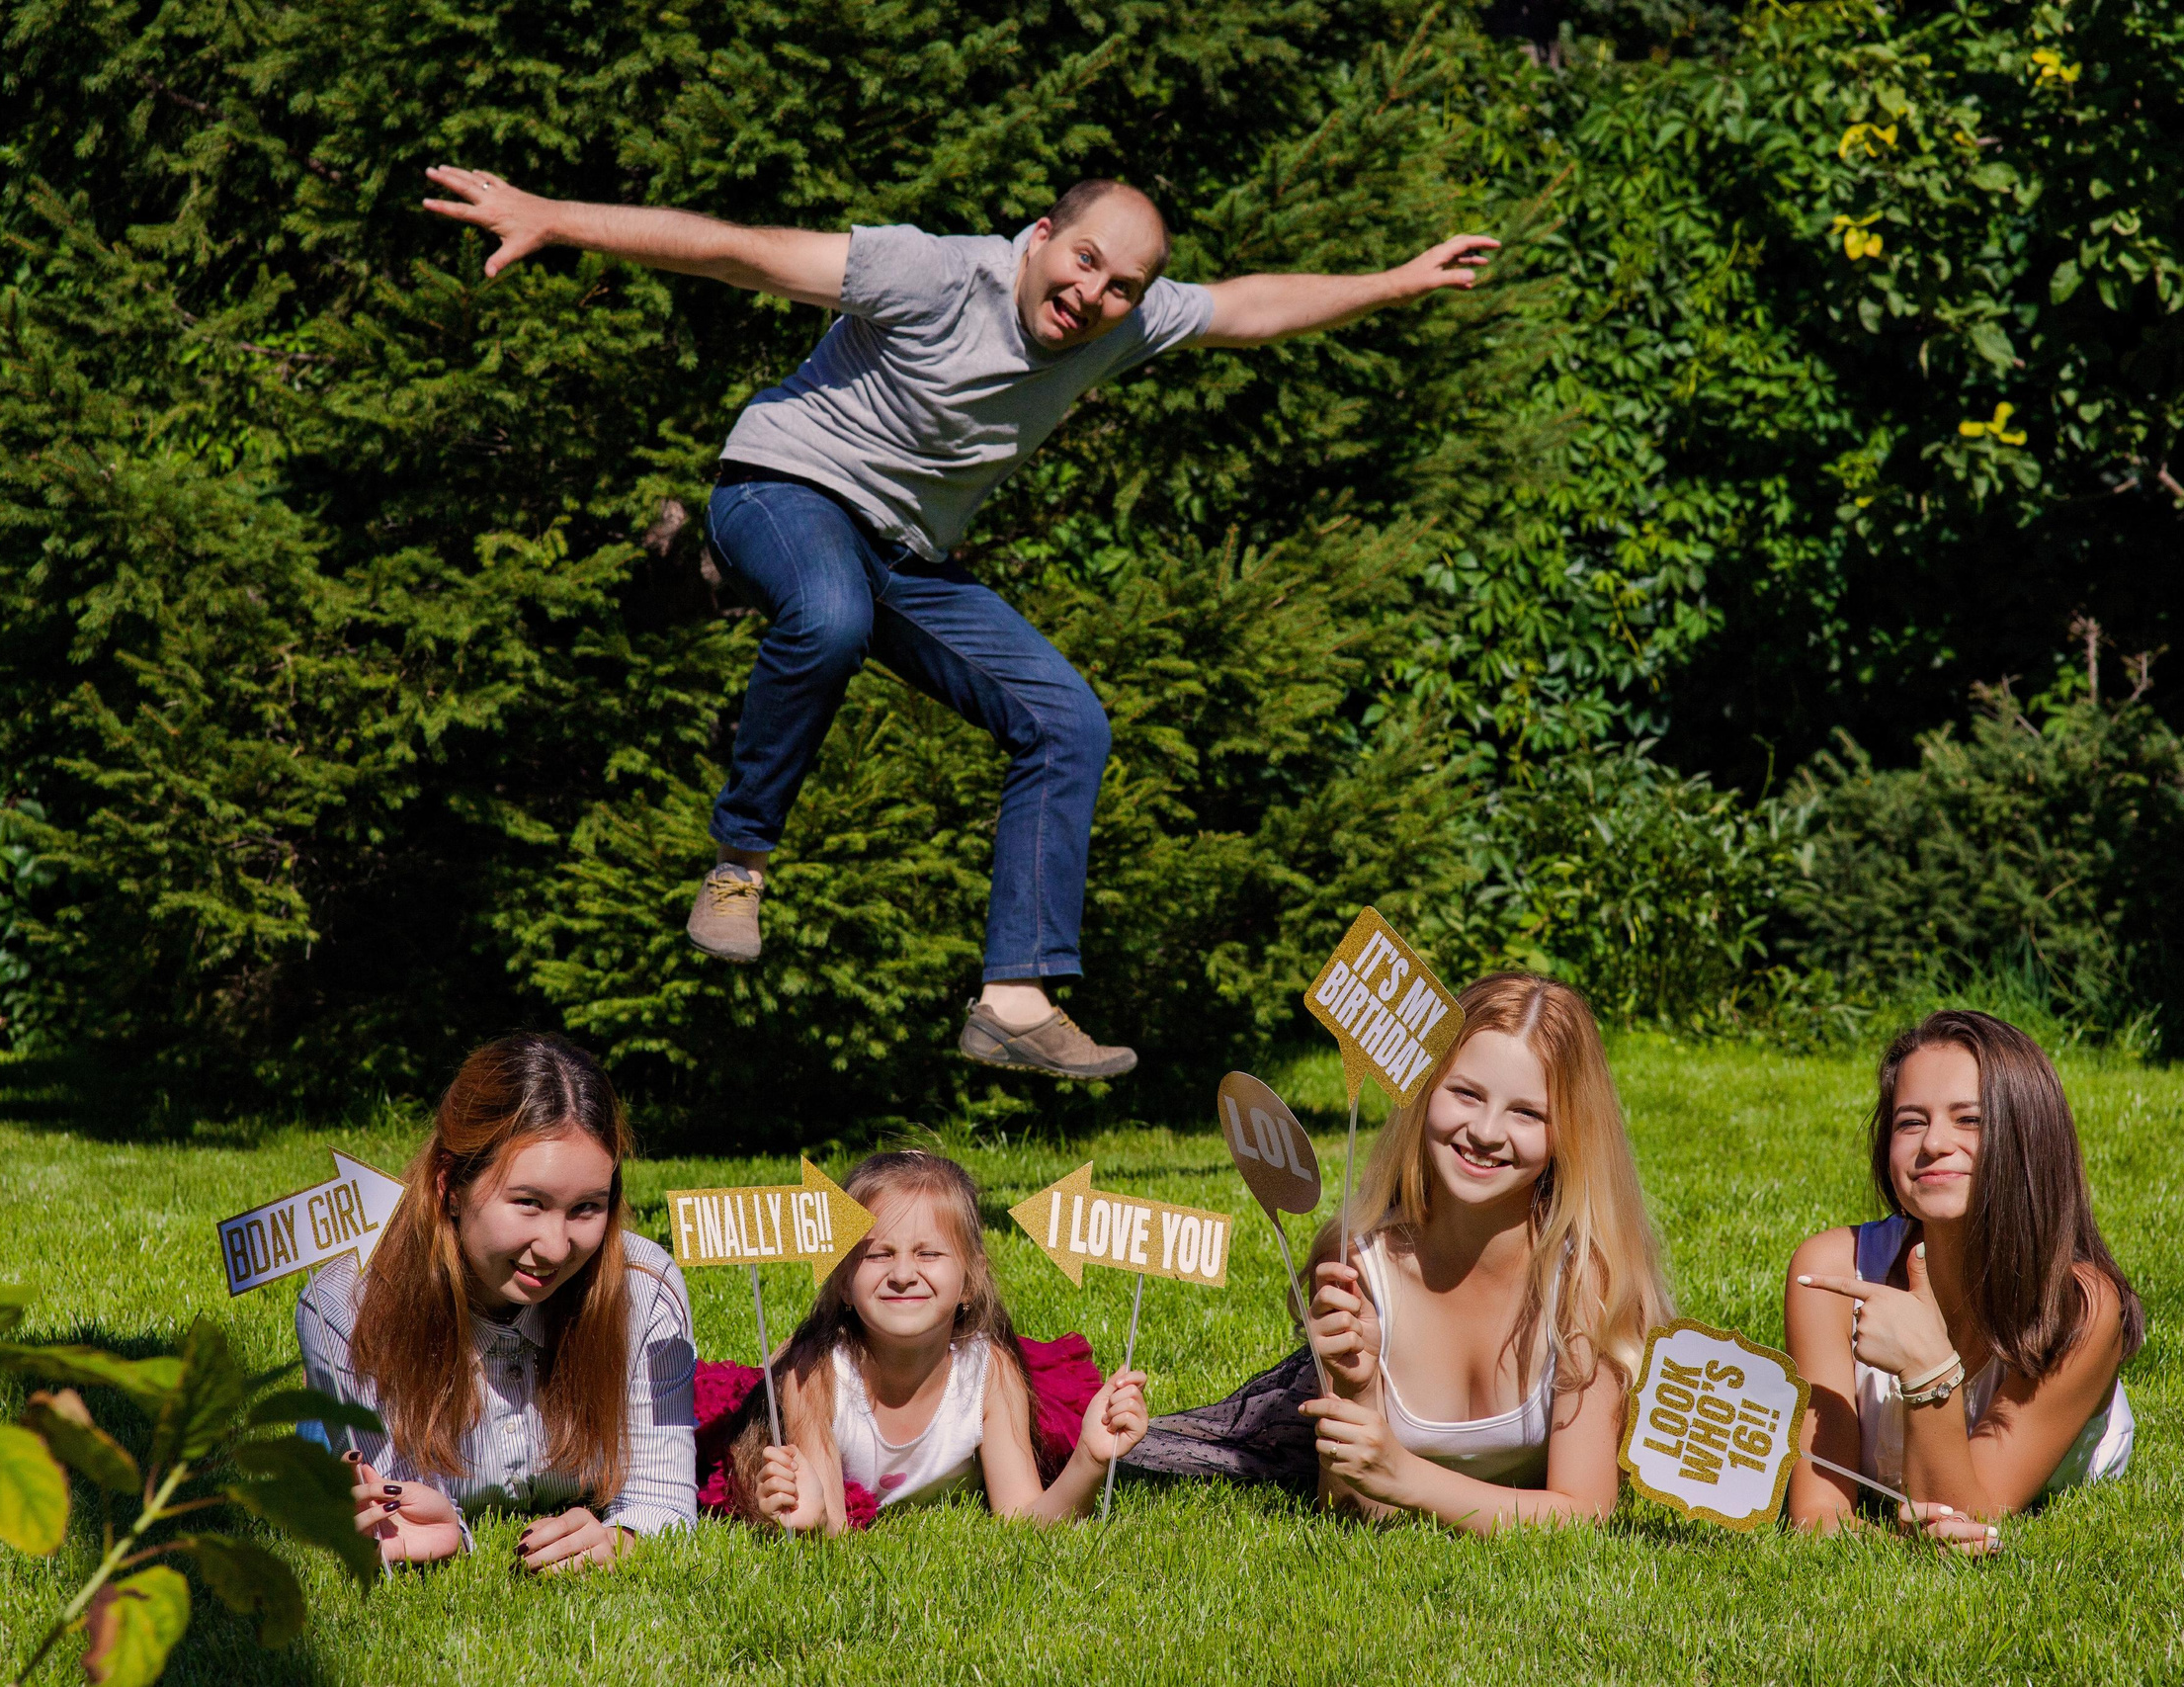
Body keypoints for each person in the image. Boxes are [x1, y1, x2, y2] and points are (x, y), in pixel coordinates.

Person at [420, 165, 1499, 1079]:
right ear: (1039, 237)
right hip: (780, 492)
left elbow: (1250, 308)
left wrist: (1396, 282)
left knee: (1066, 721)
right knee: (828, 616)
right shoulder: (929, 271)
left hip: (904, 555)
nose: (1093, 295)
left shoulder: (1125, 323)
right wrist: (554, 217)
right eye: (1081, 260)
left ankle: (1015, 999)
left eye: (1122, 286)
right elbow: (738, 249)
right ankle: (738, 864)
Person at [297, 1034, 698, 1567]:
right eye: (528, 1203)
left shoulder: (646, 1290)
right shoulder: (346, 1308)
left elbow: (663, 1502)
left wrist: (619, 1538)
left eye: (586, 1208)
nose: (556, 1247)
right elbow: (397, 1506)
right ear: (450, 1187)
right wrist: (443, 1532)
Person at [1299, 972, 1672, 1532]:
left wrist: (1407, 1475)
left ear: (1568, 1135)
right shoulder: (1358, 1262)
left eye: (1527, 1113)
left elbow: (1584, 1512)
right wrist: (1357, 1388)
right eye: (1466, 1093)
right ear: (1425, 1091)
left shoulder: (1586, 1282)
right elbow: (1351, 1509)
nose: (1486, 1131)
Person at [1786, 1009, 2142, 1551]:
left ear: (2029, 1136)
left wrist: (1925, 1364)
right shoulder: (1832, 1272)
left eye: (1969, 1120)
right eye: (1910, 1121)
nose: (1934, 1143)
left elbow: (1967, 1512)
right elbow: (1819, 1511)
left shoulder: (2081, 1307)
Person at [734, 1150, 1147, 1530]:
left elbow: (1023, 1521)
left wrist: (1090, 1460)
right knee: (783, 1363)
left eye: (928, 1254)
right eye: (878, 1254)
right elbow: (833, 1527)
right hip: (807, 1361)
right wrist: (816, 1518)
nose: (902, 1274)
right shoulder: (814, 1375)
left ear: (970, 1279)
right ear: (843, 1279)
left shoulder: (989, 1371)